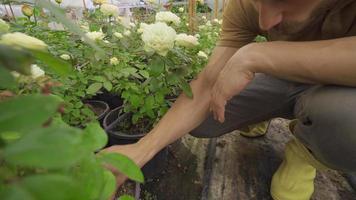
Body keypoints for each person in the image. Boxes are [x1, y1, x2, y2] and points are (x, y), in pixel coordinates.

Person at [104, 0, 356, 199]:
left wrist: (256, 54)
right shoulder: (246, 5)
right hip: (282, 77)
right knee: (205, 119)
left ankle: (306, 149)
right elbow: (206, 84)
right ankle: (264, 114)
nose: (265, 21)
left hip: (339, 89)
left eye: (283, 0)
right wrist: (141, 149)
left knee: (348, 121)